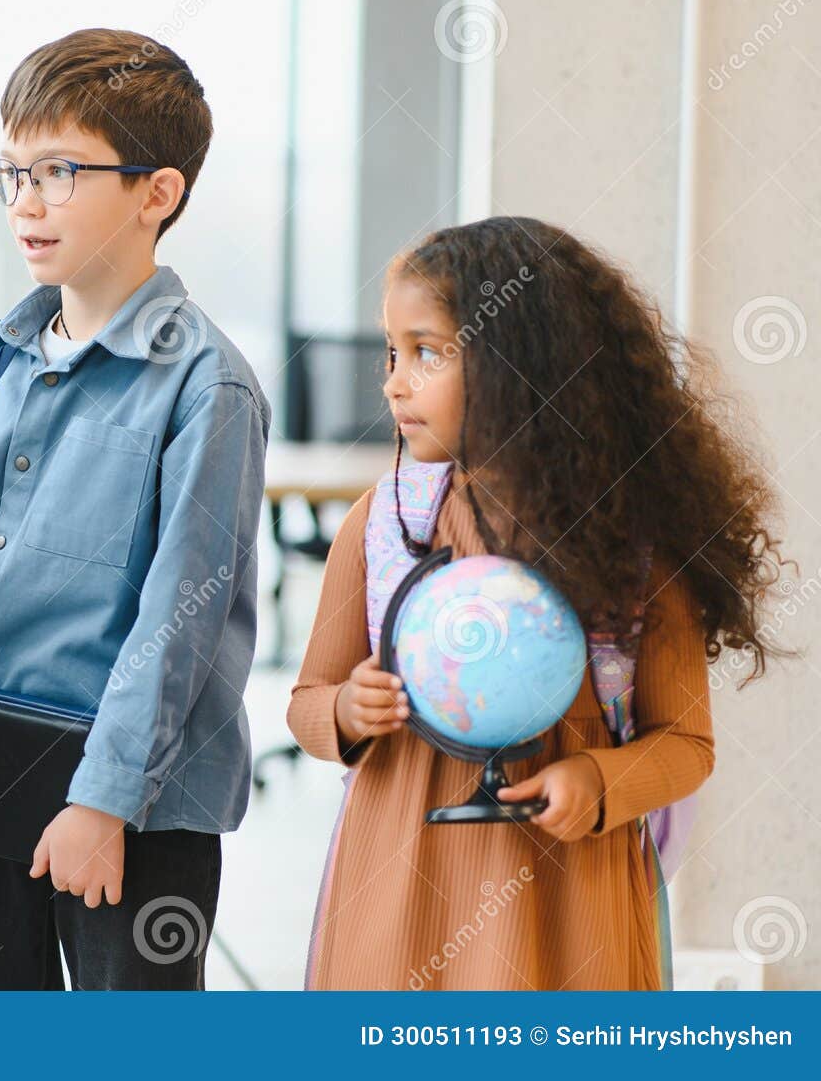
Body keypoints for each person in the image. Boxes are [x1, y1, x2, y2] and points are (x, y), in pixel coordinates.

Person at [0, 28, 271, 990]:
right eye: (14, 172)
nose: (26, 202)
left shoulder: (207, 389)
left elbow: (181, 618)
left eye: (61, 171)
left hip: (137, 811)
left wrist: (104, 801)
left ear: (158, 193)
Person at [290, 216, 789, 989]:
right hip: (396, 882)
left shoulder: (633, 540)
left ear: (515, 364)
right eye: (392, 352)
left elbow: (686, 742)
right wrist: (347, 712)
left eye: (425, 351)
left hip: (570, 902)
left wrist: (599, 779)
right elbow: (307, 701)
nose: (392, 380)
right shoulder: (378, 522)